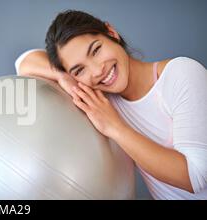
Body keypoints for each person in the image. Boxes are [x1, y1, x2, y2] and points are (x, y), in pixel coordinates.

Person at [15, 10, 207, 199]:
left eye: (96, 50)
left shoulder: (181, 73)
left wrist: (114, 127)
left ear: (111, 33)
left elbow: (195, 177)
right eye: (79, 69)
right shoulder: (104, 99)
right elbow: (23, 62)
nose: (97, 70)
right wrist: (62, 75)